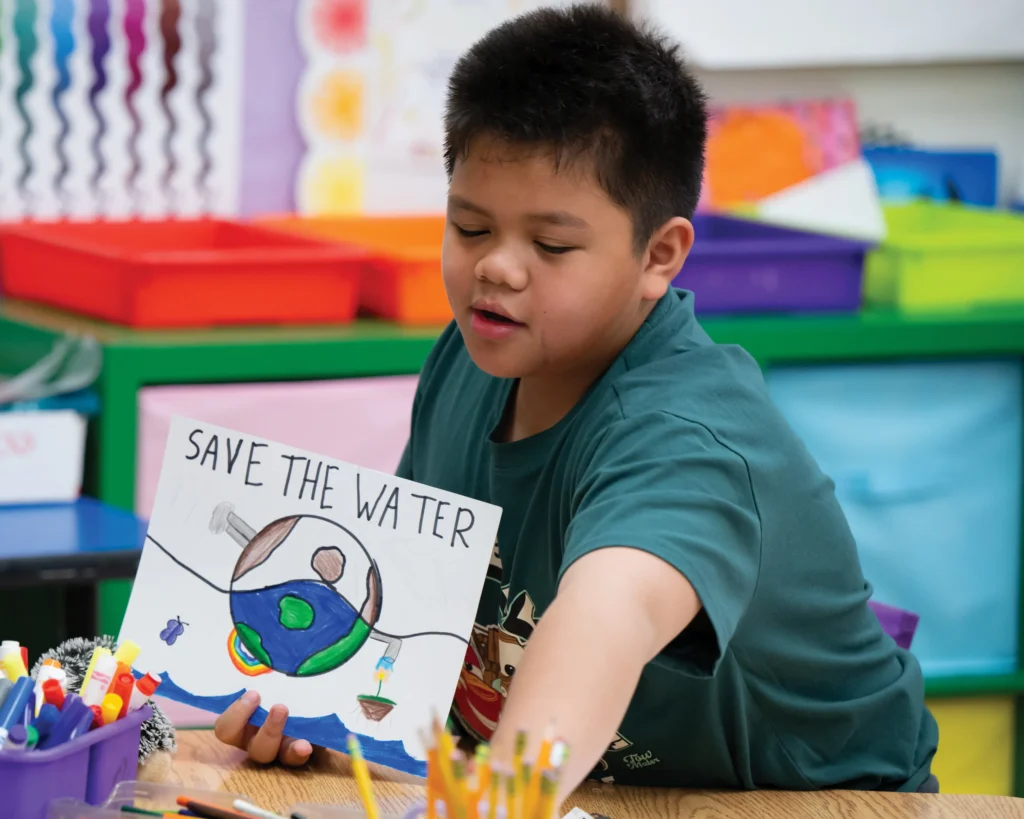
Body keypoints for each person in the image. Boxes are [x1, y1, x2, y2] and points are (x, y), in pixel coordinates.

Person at [214, 2, 938, 796]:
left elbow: (608, 615)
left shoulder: (685, 437)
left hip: (818, 804)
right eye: (470, 226)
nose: (498, 268)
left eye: (551, 245)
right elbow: (411, 608)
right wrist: (328, 719)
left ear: (659, 254)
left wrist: (503, 797)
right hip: (596, 790)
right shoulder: (471, 357)